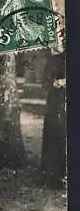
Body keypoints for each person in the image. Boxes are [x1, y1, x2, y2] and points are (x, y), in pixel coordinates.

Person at [40, 46, 66, 190]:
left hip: (64, 103)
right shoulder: (51, 62)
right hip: (53, 104)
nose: (54, 48)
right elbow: (44, 83)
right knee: (52, 135)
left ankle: (62, 173)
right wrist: (54, 84)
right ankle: (51, 174)